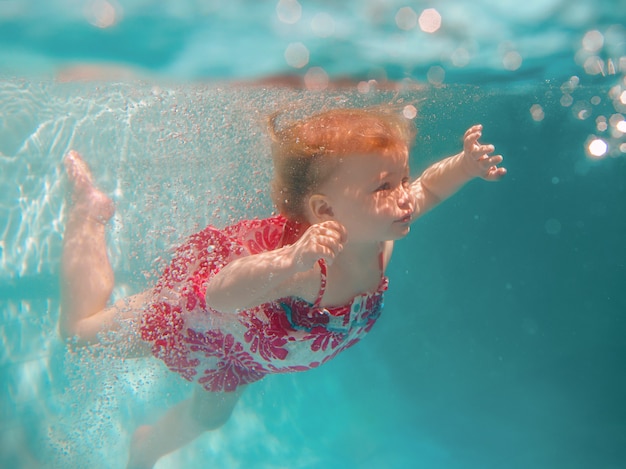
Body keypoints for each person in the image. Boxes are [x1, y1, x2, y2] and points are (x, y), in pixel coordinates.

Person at [60, 107, 506, 468]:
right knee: (81, 335)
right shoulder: (311, 270)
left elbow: (429, 187)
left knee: (211, 417)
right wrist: (289, 258)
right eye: (383, 187)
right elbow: (217, 295)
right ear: (325, 209)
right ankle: (89, 214)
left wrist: (464, 166)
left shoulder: (380, 236)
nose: (406, 196)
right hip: (196, 323)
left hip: (243, 354)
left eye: (402, 179)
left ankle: (147, 447)